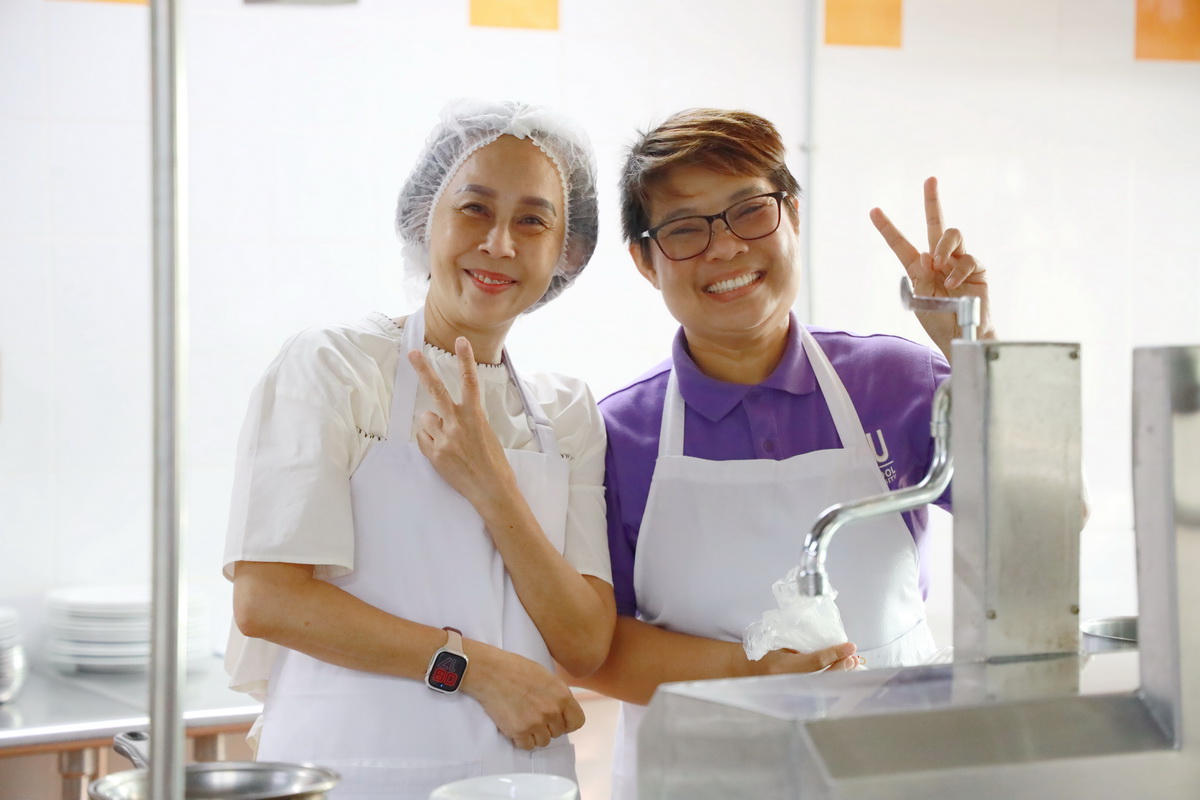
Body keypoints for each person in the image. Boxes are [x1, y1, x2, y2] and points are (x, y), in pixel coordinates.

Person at [574, 108, 994, 800]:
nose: (725, 248)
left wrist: (973, 349)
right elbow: (593, 650)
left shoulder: (895, 383)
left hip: (896, 769)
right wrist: (753, 674)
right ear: (645, 261)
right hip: (702, 781)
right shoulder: (617, 437)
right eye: (685, 228)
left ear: (792, 216)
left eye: (749, 210)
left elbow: (1045, 520)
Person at [221, 99, 616, 800]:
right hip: (348, 777)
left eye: (533, 220)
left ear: (568, 251)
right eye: (474, 208)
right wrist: (475, 669)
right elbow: (269, 599)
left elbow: (584, 643)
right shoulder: (337, 367)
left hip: (522, 783)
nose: (500, 243)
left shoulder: (566, 412)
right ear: (423, 219)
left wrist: (493, 487)